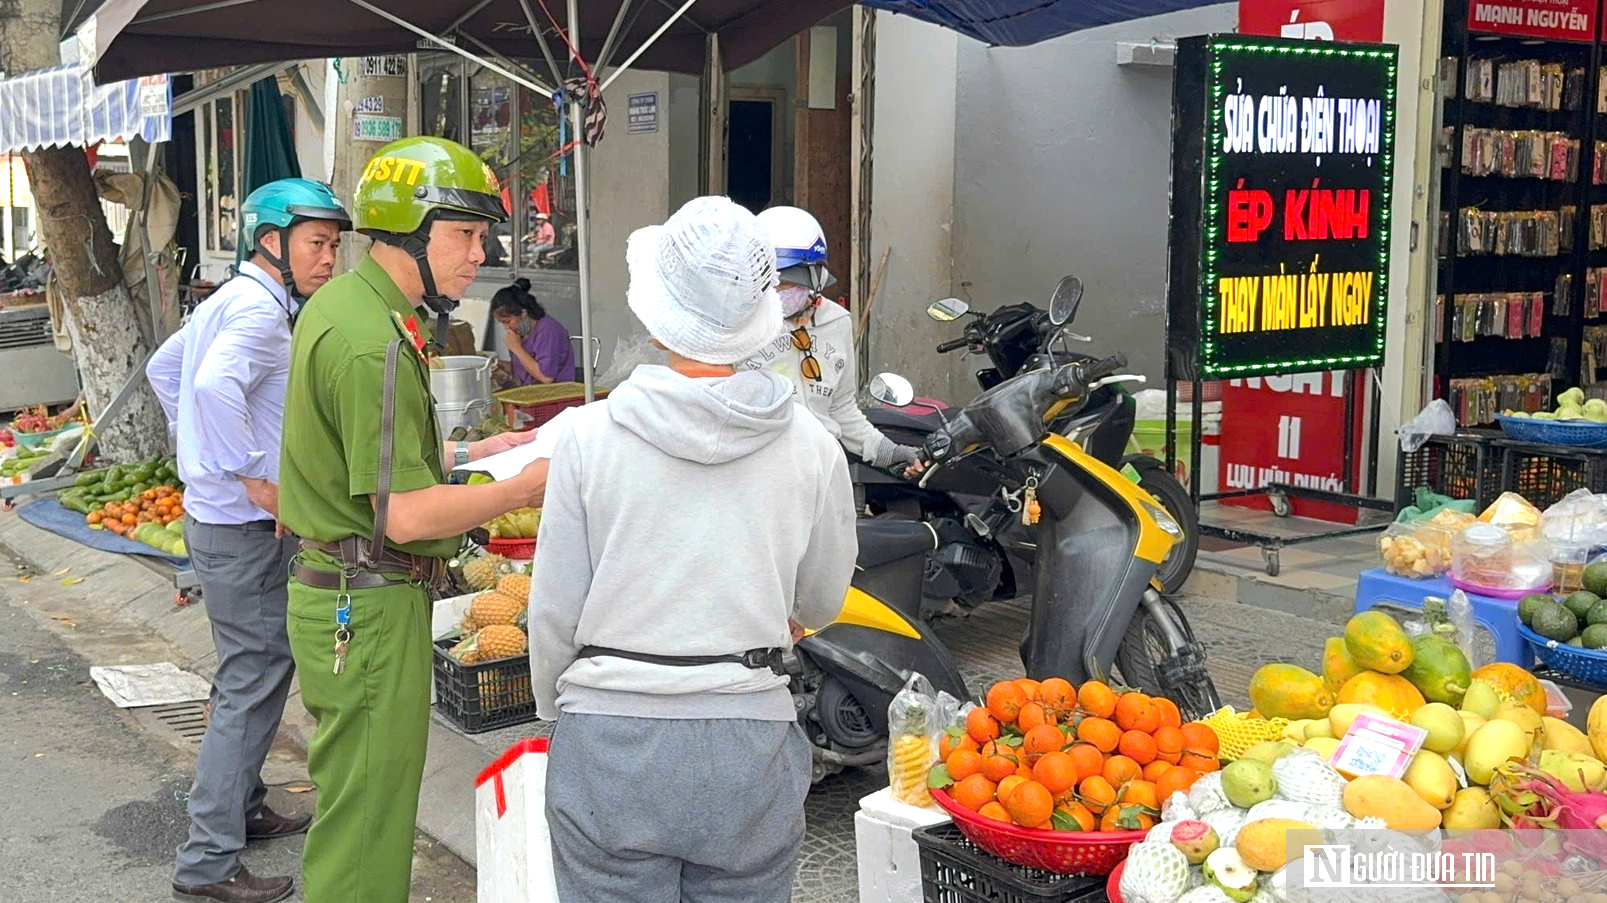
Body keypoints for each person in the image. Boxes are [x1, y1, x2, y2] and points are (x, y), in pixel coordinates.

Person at [527, 195, 857, 903]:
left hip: (607, 740)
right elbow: (823, 598)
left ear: (656, 313)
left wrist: (558, 710)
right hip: (748, 740)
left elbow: (552, 609)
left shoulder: (586, 436)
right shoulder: (812, 446)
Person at [276, 136, 549, 903]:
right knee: (367, 831)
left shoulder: (350, 306)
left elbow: (367, 457)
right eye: (463, 233)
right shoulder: (374, 343)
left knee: (359, 813)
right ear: (409, 234)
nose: (480, 252)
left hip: (343, 591)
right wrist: (526, 481)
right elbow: (406, 514)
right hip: (367, 604)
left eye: (482, 233)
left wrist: (480, 448)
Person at [147, 178, 351, 903]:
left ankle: (245, 806)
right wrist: (246, 477)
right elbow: (206, 389)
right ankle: (207, 862)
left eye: (334, 244)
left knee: (246, 672)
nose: (329, 257)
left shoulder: (236, 298)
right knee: (252, 681)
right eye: (315, 243)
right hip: (243, 527)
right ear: (271, 241)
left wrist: (201, 458)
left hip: (220, 517)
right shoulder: (260, 315)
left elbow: (163, 371)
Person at [737, 205, 921, 472]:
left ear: (816, 277)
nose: (776, 291)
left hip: (823, 469)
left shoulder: (837, 323)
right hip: (762, 472)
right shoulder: (740, 327)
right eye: (769, 283)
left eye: (786, 283)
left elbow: (842, 410)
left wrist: (889, 452)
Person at [492, 277, 576, 385]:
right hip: (528, 391)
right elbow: (523, 369)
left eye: (507, 321)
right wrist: (500, 365)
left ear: (523, 314)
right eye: (502, 323)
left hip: (555, 395)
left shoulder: (548, 331)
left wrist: (517, 348)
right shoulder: (522, 333)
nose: (506, 327)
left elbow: (546, 377)